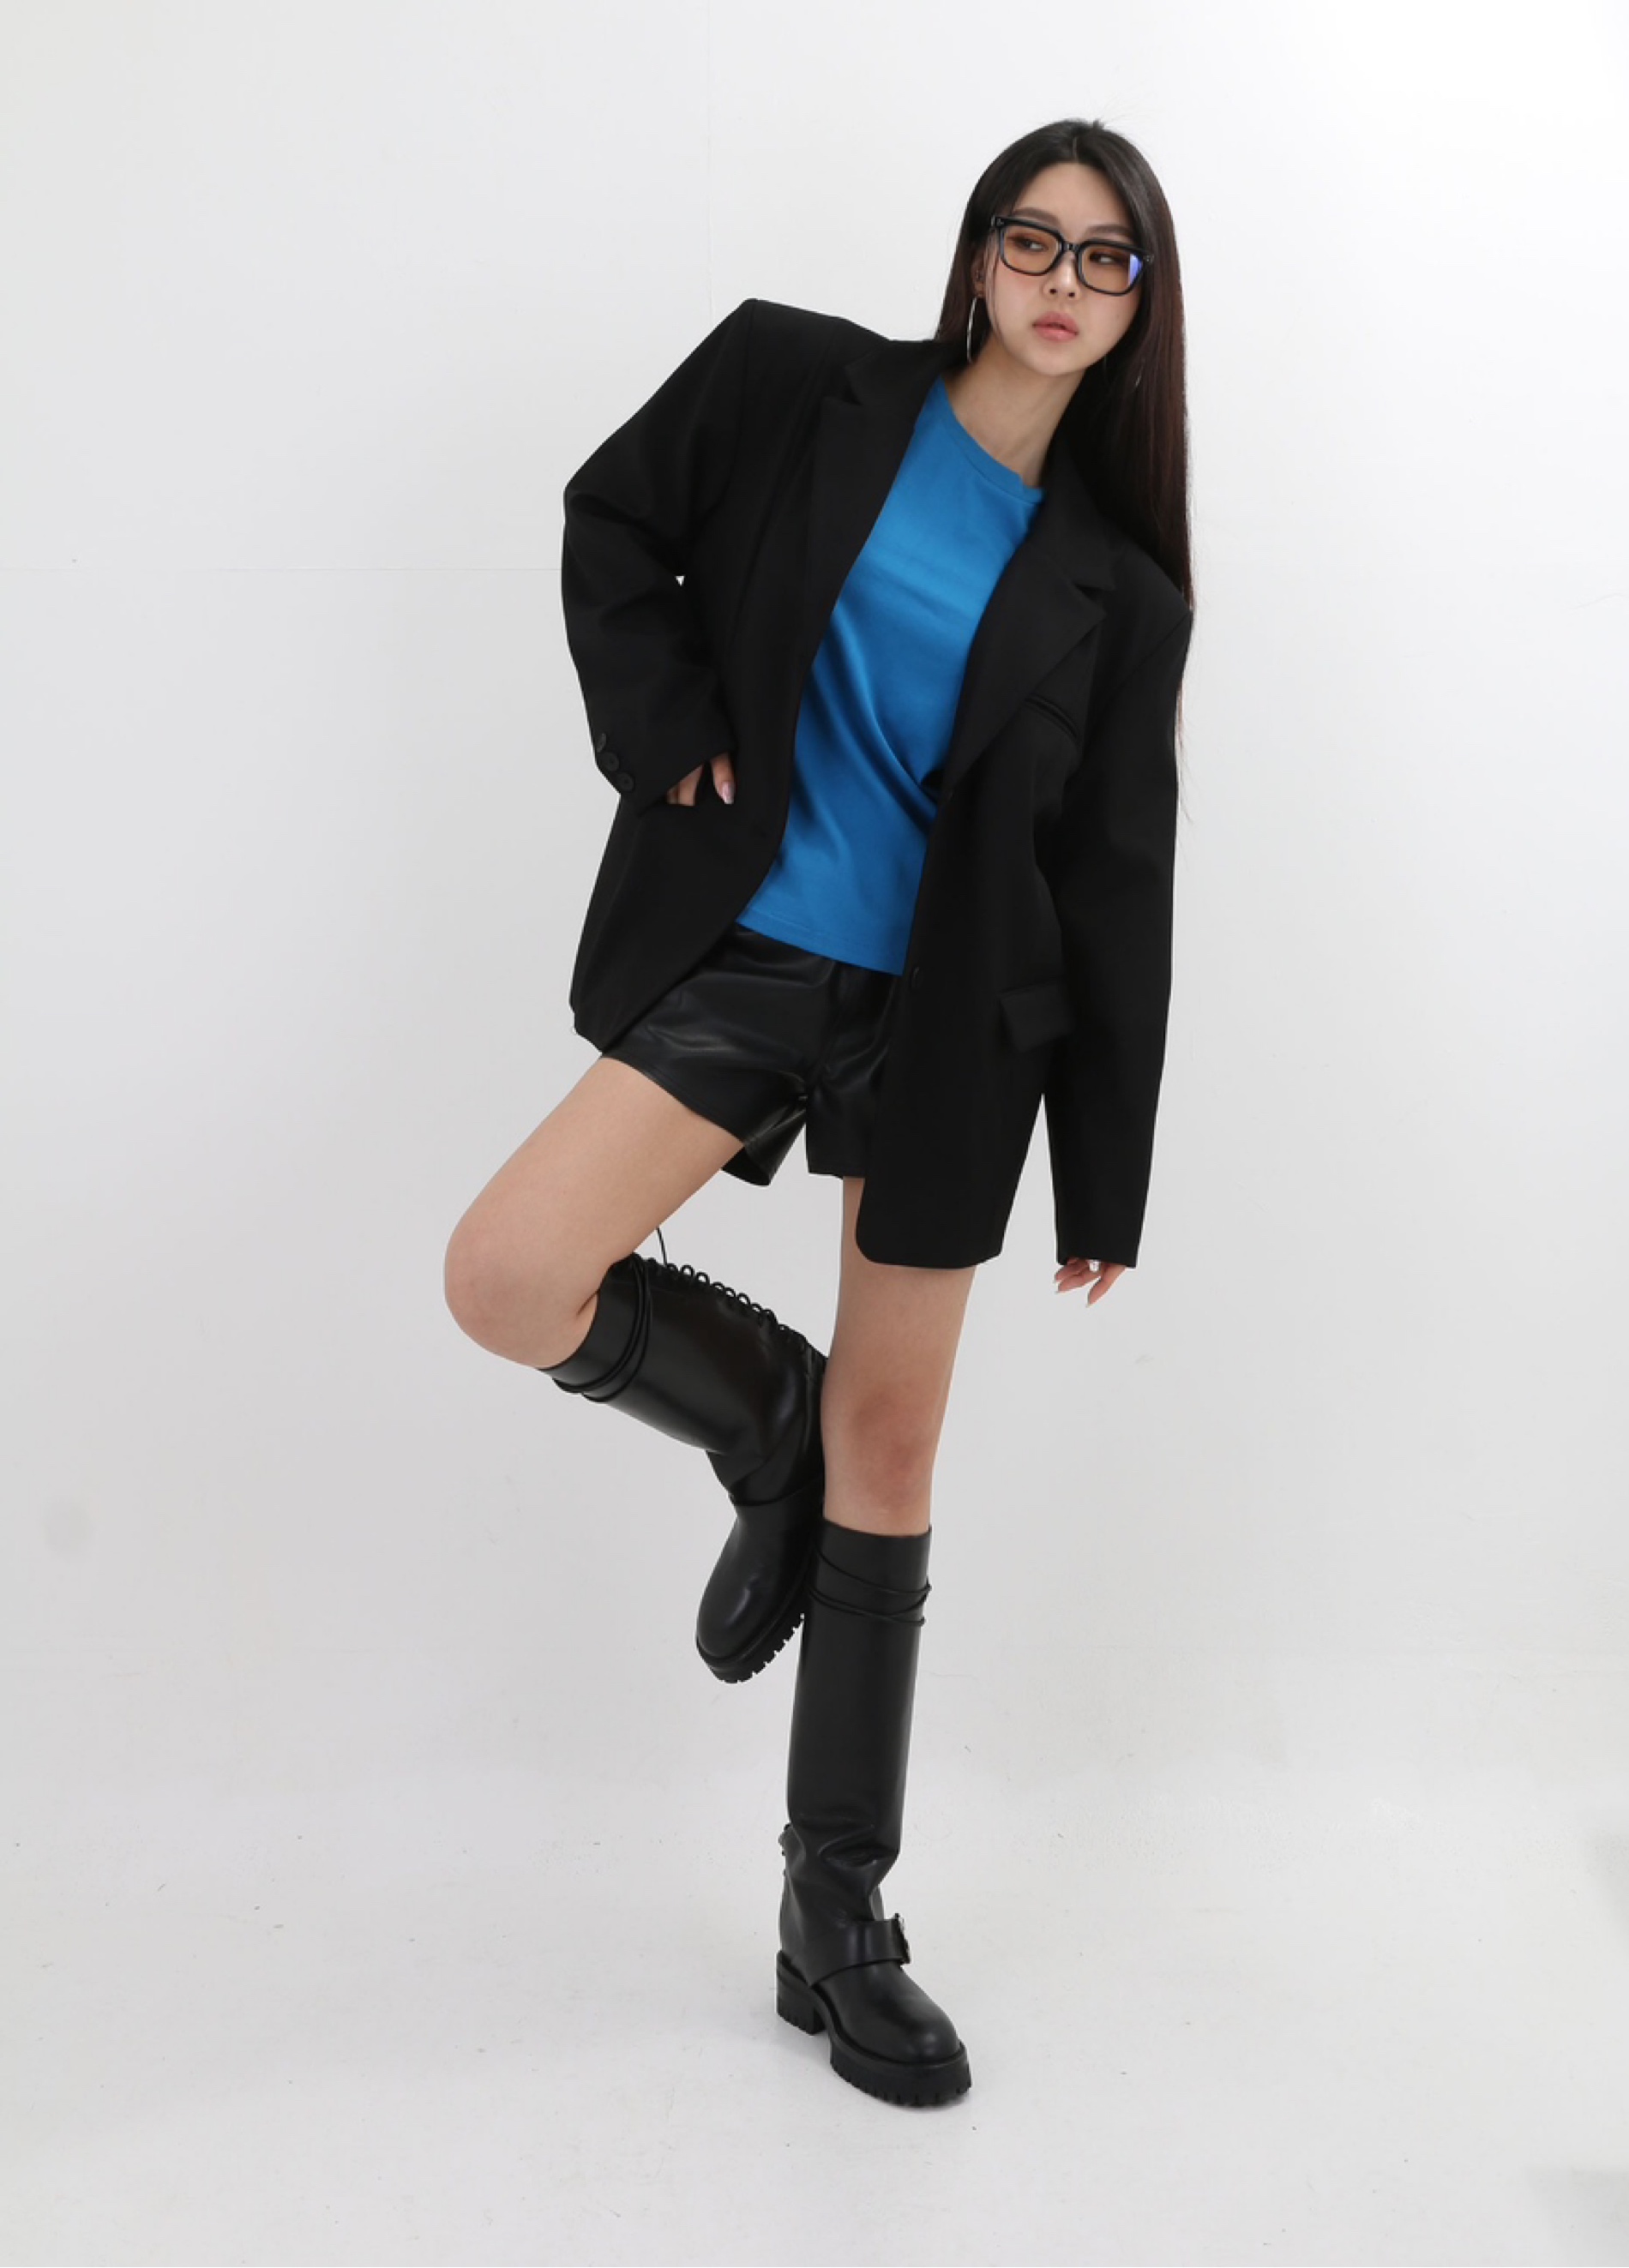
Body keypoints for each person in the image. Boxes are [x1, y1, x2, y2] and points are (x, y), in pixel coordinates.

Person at [443, 116, 1194, 2109]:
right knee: (511, 1276)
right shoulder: (797, 377)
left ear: (1141, 306)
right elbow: (618, 519)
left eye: (1105, 258)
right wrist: (668, 726)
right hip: (753, 953)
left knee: (897, 1446)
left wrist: (1103, 1178)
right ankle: (758, 1417)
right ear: (976, 255)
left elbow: (1117, 881)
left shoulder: (1120, 588)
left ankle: (836, 1914)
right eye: (1032, 238)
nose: (1062, 280)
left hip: (952, 1031)